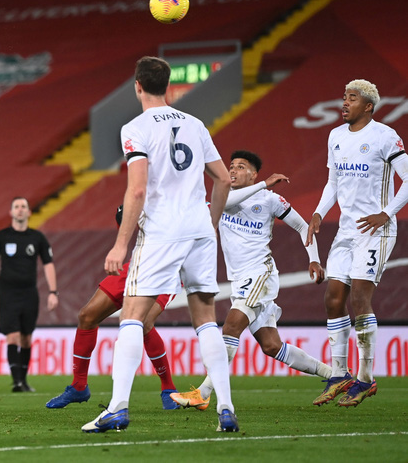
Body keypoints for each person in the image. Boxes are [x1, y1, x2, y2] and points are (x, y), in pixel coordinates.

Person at [82, 56, 237, 434]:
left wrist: (121, 245)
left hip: (163, 230)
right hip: (199, 228)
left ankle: (118, 408)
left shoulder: (135, 128)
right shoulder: (195, 124)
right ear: (168, 85)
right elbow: (223, 179)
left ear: (137, 85)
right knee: (205, 319)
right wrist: (210, 223)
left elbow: (136, 189)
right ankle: (226, 409)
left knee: (131, 316)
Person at [171, 151, 330, 411]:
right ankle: (334, 374)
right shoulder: (224, 198)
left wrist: (313, 258)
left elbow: (303, 227)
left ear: (253, 174)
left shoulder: (270, 200)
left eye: (241, 167)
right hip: (240, 280)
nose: (232, 170)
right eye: (231, 166)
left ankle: (204, 392)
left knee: (231, 326)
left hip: (259, 274)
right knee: (271, 346)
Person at [307, 79, 407, 407]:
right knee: (334, 299)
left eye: (352, 98)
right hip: (346, 231)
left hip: (376, 231)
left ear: (368, 106)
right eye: (344, 97)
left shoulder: (385, 136)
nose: (345, 103)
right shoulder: (335, 136)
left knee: (360, 299)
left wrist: (386, 213)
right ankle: (339, 373)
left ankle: (365, 379)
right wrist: (320, 212)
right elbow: (333, 182)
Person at [46, 206, 181, 410]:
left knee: (143, 322)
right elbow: (124, 220)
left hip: (167, 268)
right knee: (87, 316)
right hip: (136, 264)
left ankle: (168, 389)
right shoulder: (140, 189)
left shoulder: (177, 192)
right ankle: (79, 385)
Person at [0, 197, 58, 392]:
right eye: (16, 206)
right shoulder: (1, 237)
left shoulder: (38, 238)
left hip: (29, 293)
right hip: (8, 293)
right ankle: (16, 382)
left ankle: (23, 380)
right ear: (11, 212)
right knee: (13, 336)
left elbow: (48, 264)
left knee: (26, 338)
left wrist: (53, 292)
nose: (20, 210)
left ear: (29, 212)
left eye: (23, 206)